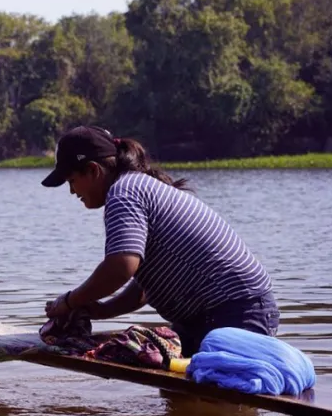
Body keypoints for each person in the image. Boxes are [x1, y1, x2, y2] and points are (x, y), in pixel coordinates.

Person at [40, 125, 279, 357]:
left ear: (93, 171)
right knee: (177, 394)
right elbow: (144, 287)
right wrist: (103, 309)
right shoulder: (135, 186)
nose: (72, 191)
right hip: (213, 314)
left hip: (237, 312)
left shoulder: (123, 194)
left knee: (220, 393)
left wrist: (69, 301)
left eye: (71, 181)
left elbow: (120, 268)